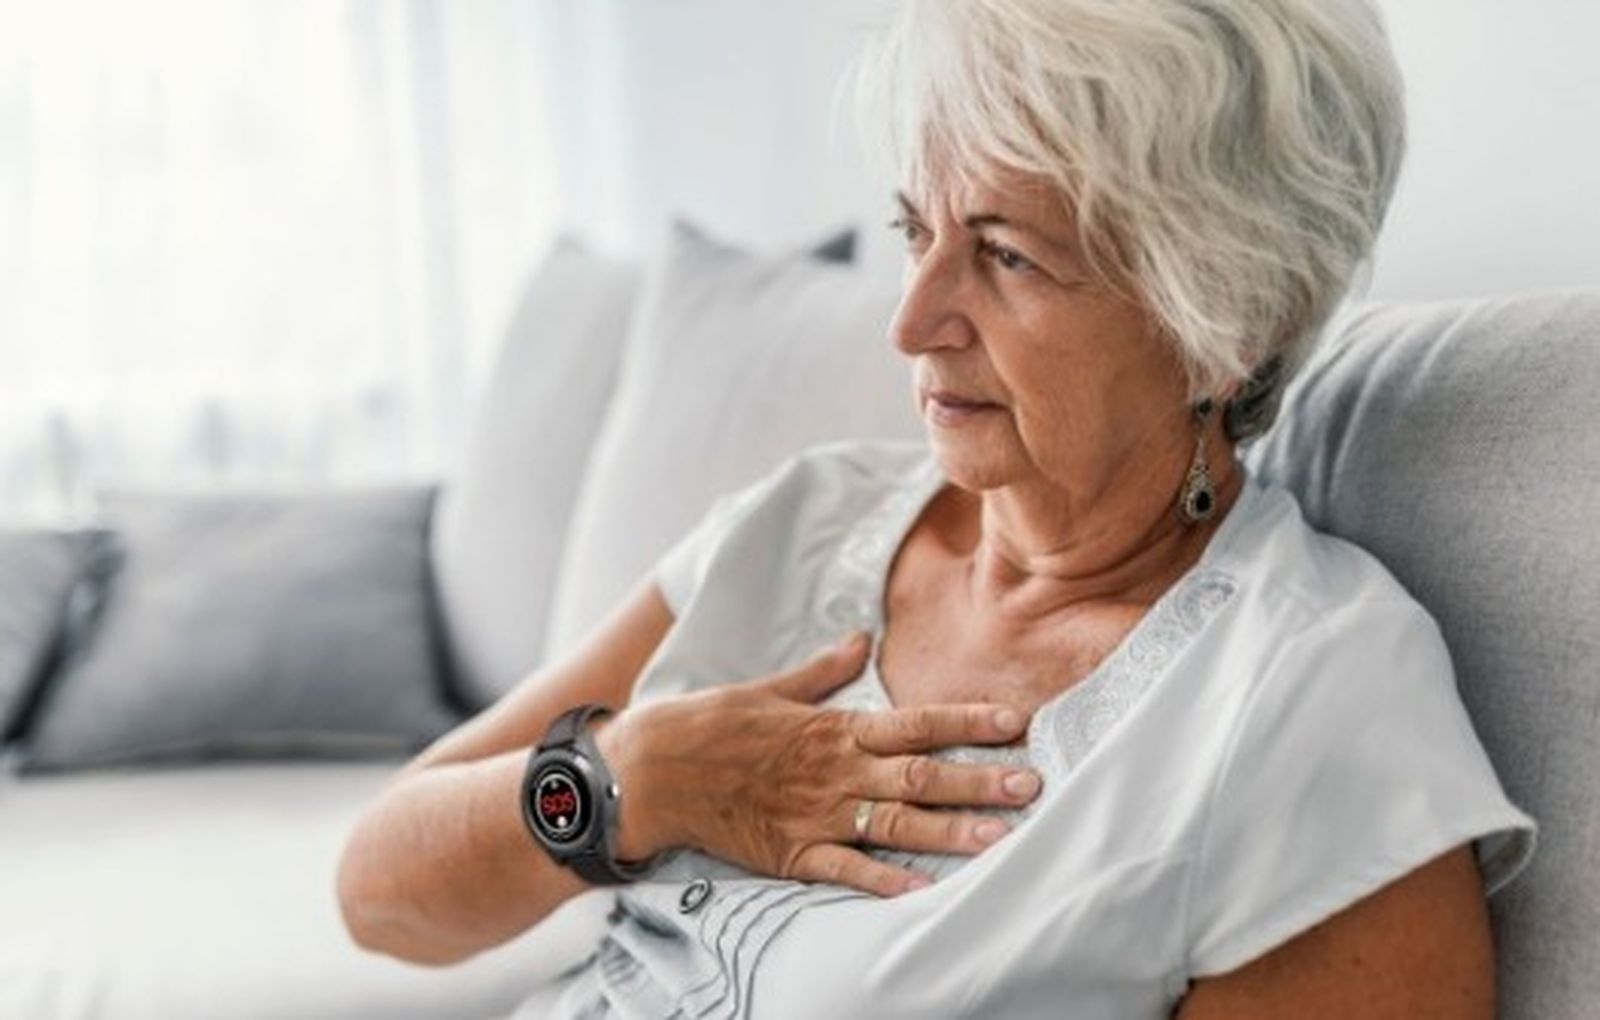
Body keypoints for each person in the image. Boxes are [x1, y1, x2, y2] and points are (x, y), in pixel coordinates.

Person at [337, 1, 1538, 1016]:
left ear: (1228, 319)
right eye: (916, 229)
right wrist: (629, 778)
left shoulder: (1307, 702)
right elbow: (379, 890)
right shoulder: (801, 521)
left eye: (1004, 253)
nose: (909, 321)